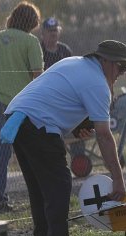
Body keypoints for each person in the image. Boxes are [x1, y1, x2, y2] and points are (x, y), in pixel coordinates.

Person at [0, 40, 126, 236]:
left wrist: (74, 132)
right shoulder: (97, 83)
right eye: (121, 67)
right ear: (106, 61)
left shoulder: (75, 63)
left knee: (40, 188)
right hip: (37, 123)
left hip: (18, 117)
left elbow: (56, 101)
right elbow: (103, 135)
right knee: (59, 185)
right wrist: (118, 178)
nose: (122, 72)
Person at [0, 1, 43, 212]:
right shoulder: (30, 41)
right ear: (32, 22)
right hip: (23, 104)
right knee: (35, 149)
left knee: (2, 151)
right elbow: (38, 75)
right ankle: (42, 192)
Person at [40, 17, 85, 158]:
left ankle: (78, 157)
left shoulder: (64, 50)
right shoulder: (38, 50)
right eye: (49, 31)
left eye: (55, 30)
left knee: (78, 120)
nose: (53, 34)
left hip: (66, 96)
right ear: (43, 33)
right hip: (46, 98)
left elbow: (75, 73)